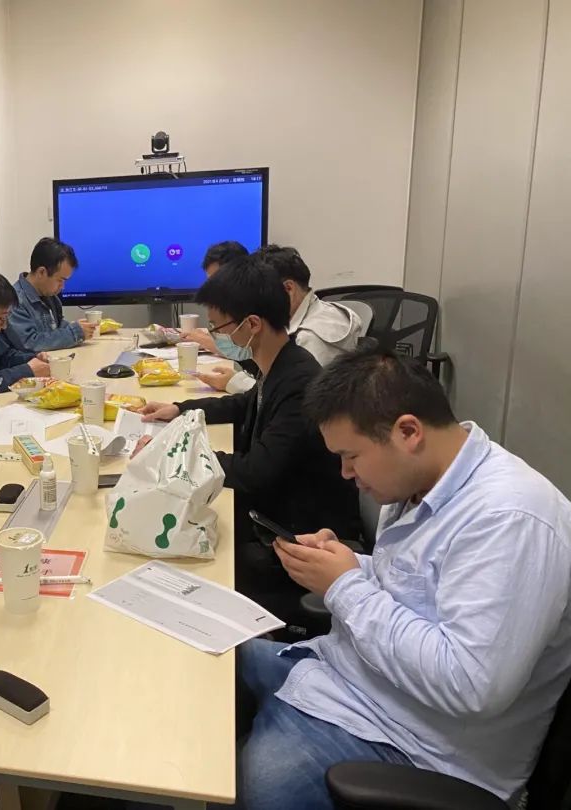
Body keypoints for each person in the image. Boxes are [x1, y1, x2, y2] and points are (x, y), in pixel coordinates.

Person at [239, 348, 571, 809]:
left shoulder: (511, 519)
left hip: (413, 746)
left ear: (408, 432)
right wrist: (347, 565)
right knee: (216, 661)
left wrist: (344, 586)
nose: (346, 473)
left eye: (351, 456)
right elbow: (416, 588)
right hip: (345, 681)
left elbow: (469, 683)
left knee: (255, 784)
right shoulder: (419, 482)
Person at [139, 254, 358, 624]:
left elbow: (255, 471)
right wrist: (180, 409)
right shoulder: (281, 362)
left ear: (252, 325)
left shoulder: (299, 380)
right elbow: (244, 403)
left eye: (218, 327)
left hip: (295, 535)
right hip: (274, 509)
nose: (216, 336)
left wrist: (177, 454)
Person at [192, 244, 363, 393]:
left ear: (288, 289)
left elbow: (294, 394)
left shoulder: (310, 339)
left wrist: (236, 382)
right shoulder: (309, 314)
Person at [6, 236, 95, 351]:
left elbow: (57, 327)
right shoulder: (14, 301)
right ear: (42, 272)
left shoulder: (50, 296)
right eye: (60, 280)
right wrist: (74, 333)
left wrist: (79, 327)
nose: (62, 287)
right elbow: (30, 343)